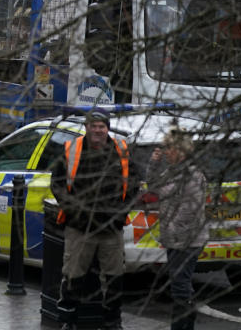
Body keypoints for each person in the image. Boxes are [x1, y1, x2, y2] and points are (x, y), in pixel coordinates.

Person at [50, 110, 138, 330]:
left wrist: (120, 213)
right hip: (80, 228)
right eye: (93, 126)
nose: (97, 130)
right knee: (72, 277)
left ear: (107, 128)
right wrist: (74, 211)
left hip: (111, 228)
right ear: (86, 127)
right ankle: (68, 322)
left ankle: (112, 323)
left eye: (101, 126)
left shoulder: (122, 149)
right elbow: (57, 184)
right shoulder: (71, 150)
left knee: (114, 279)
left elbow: (135, 184)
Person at [148, 127, 207, 330]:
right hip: (175, 238)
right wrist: (154, 164)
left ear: (181, 150)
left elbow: (190, 209)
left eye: (169, 148)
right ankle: (182, 324)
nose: (166, 151)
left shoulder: (191, 174)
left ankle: (182, 326)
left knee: (180, 285)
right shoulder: (171, 171)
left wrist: (173, 230)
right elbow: (153, 185)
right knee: (179, 283)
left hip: (187, 240)